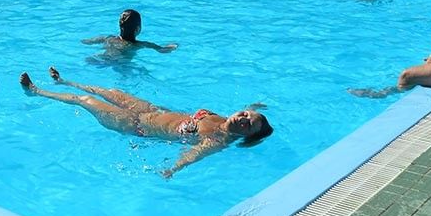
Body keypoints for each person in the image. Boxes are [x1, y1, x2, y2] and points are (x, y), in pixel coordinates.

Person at [19, 67, 271, 177]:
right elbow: (248, 111)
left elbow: (194, 155)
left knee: (84, 100)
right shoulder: (220, 117)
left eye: (249, 125)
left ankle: (36, 91)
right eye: (247, 115)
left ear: (245, 137)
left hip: (136, 126)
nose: (244, 119)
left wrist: (173, 169)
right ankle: (64, 81)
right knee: (110, 90)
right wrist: (257, 107)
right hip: (149, 110)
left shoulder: (216, 140)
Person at [82, 9, 177, 56]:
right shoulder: (139, 45)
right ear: (137, 29)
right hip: (119, 63)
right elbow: (162, 50)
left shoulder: (108, 38)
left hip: (100, 58)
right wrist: (175, 45)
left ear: (120, 26)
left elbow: (86, 42)